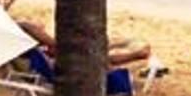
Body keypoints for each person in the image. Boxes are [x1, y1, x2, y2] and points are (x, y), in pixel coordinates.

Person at [19, 17, 152, 70]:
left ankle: (134, 52)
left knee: (91, 51)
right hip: (62, 65)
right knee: (95, 57)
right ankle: (137, 54)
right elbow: (54, 44)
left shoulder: (22, 50)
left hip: (53, 57)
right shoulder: (25, 32)